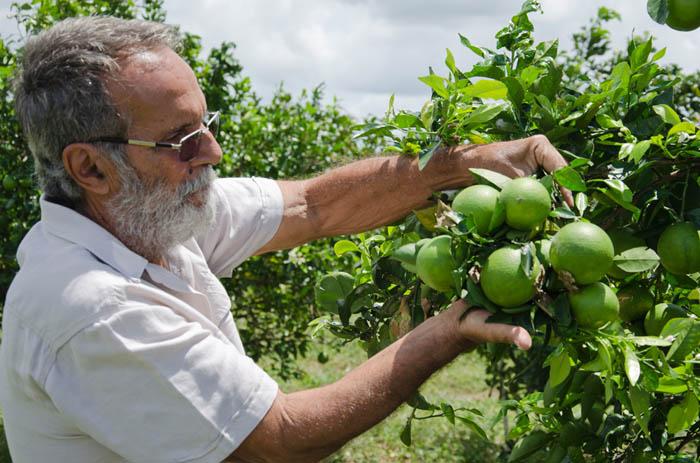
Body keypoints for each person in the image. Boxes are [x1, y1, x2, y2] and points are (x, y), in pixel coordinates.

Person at [0, 16, 572, 463]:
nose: (212, 154)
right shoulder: (93, 308)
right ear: (91, 169)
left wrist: (471, 164)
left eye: (207, 125)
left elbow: (313, 204)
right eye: (181, 141)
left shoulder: (156, 216)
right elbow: (282, 439)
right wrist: (448, 332)